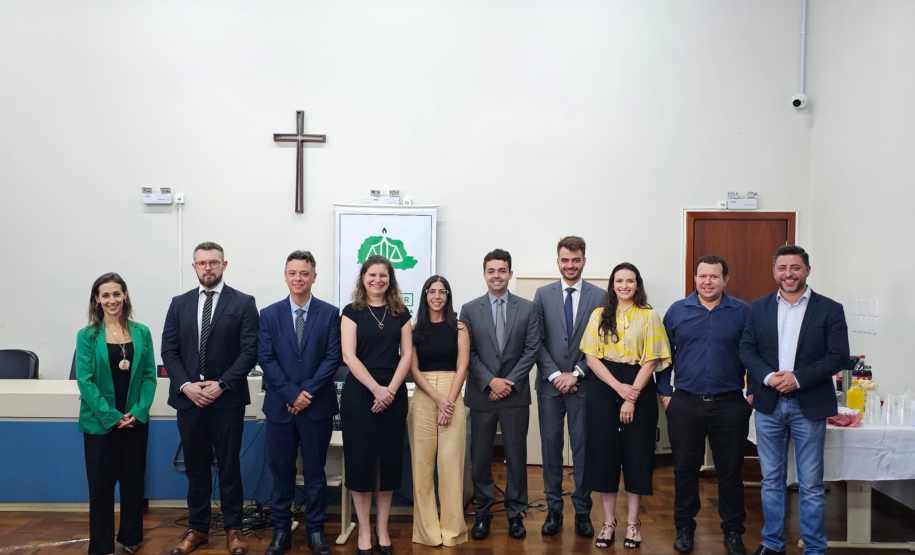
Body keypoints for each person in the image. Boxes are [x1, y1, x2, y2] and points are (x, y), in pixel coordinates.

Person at [739, 245, 849, 555]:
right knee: (771, 479)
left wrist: (797, 378)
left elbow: (838, 356)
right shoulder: (758, 307)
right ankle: (772, 543)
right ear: (774, 272)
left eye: (795, 268)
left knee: (811, 484)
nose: (789, 274)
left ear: (808, 271)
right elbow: (747, 350)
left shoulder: (830, 309)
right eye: (783, 268)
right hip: (768, 403)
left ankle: (814, 548)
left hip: (809, 404)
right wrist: (769, 377)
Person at [161, 242, 259, 555]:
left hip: (226, 401)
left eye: (213, 263)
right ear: (194, 267)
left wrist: (222, 385)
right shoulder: (179, 304)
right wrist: (187, 385)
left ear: (224, 265)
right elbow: (169, 351)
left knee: (230, 467)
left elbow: (249, 351)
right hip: (189, 401)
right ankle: (198, 529)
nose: (208, 268)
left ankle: (234, 530)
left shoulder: (243, 303)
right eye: (202, 263)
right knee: (196, 469)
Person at [658, 255, 751, 555]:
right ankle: (684, 527)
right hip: (685, 403)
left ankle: (733, 532)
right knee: (685, 469)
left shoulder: (742, 312)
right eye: (702, 276)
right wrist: (665, 394)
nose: (707, 282)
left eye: (714, 276)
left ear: (726, 279)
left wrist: (752, 395)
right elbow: (661, 357)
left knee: (730, 471)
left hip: (730, 404)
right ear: (694, 278)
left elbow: (758, 354)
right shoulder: (677, 311)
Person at [580, 262, 671, 549]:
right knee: (605, 456)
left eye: (630, 281)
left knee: (636, 455)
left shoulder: (650, 315)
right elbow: (591, 357)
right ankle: (608, 523)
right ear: (612, 284)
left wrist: (630, 395)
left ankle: (633, 523)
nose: (624, 286)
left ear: (637, 284)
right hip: (604, 384)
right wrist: (617, 388)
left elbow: (653, 359)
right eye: (619, 281)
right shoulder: (598, 314)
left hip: (639, 384)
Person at [258, 251, 341, 555]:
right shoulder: (268, 314)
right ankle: (281, 530)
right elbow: (265, 358)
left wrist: (306, 393)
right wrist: (292, 394)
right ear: (285, 276)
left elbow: (333, 357)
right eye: (293, 273)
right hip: (281, 407)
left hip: (316, 408)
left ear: (314, 277)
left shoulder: (331, 313)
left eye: (304, 273)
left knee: (316, 472)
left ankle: (316, 530)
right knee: (281, 472)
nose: (298, 278)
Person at [459, 249, 539, 541]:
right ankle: (483, 512)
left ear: (510, 273)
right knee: (480, 457)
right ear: (484, 274)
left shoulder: (528, 308)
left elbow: (531, 350)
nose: (496, 275)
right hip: (482, 395)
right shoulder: (469, 309)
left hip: (515, 395)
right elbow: (469, 351)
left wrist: (508, 382)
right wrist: (491, 381)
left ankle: (515, 513)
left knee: (516, 457)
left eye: (502, 270)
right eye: (491, 270)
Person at [76, 272, 157, 555]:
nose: (112, 300)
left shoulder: (142, 332)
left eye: (117, 294)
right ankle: (101, 546)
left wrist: (138, 411)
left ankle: (131, 538)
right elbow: (85, 381)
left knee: (134, 483)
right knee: (100, 487)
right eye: (105, 295)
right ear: (97, 299)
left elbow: (149, 377)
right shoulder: (87, 336)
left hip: (135, 421)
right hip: (100, 424)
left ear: (125, 296)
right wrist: (111, 416)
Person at [532, 236, 605, 538]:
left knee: (583, 449)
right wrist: (554, 375)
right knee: (550, 449)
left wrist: (576, 373)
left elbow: (602, 342)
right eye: (565, 260)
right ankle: (553, 510)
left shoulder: (600, 296)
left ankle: (583, 512)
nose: (570, 265)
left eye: (576, 260)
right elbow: (535, 340)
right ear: (558, 261)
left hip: (584, 385)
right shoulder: (542, 294)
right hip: (550, 387)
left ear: (584, 261)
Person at [340, 255, 413, 555]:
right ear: (363, 277)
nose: (378, 280)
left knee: (388, 465)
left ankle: (383, 528)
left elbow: (406, 355)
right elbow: (348, 356)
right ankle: (364, 531)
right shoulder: (351, 311)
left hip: (393, 396)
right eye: (372, 275)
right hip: (360, 395)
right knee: (361, 465)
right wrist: (376, 390)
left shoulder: (401, 312)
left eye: (384, 276)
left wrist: (390, 391)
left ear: (390, 279)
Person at [408, 275, 469, 547]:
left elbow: (463, 365)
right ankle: (427, 532)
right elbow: (412, 368)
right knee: (422, 468)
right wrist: (437, 399)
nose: (436, 296)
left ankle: (452, 532)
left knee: (450, 467)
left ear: (447, 296)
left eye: (441, 291)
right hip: (423, 395)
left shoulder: (460, 328)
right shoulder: (413, 329)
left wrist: (449, 401)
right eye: (431, 291)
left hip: (453, 392)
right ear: (424, 296)